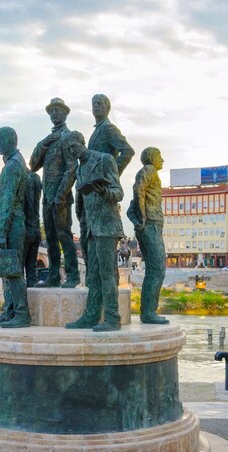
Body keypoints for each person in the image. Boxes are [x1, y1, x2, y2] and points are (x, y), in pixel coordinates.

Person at [65, 135, 124, 332]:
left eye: (74, 146)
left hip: (107, 227)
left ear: (82, 143)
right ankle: (91, 315)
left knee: (107, 274)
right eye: (68, 149)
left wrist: (104, 191)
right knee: (93, 275)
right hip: (90, 228)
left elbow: (118, 192)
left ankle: (112, 318)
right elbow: (81, 201)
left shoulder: (104, 159)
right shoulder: (79, 169)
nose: (72, 151)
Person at [30, 98, 81, 288]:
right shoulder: (49, 141)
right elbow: (33, 165)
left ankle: (73, 275)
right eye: (51, 111)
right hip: (47, 197)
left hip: (61, 198)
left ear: (65, 113)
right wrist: (43, 144)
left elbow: (71, 168)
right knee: (50, 238)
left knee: (64, 236)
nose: (54, 113)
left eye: (58, 110)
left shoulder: (69, 137)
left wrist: (61, 195)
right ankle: (53, 276)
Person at [0, 127, 33, 328]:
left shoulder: (12, 166)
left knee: (13, 271)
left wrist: (1, 232)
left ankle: (21, 314)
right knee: (9, 270)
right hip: (17, 222)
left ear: (9, 140)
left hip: (12, 223)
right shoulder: (18, 162)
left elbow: (7, 200)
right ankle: (9, 311)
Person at [129, 147, 167, 324]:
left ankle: (148, 311)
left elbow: (132, 205)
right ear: (152, 158)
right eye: (159, 156)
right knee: (158, 269)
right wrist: (143, 218)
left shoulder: (148, 173)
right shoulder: (149, 170)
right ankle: (149, 312)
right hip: (151, 225)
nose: (162, 160)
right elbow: (138, 190)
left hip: (150, 225)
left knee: (153, 270)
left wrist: (137, 219)